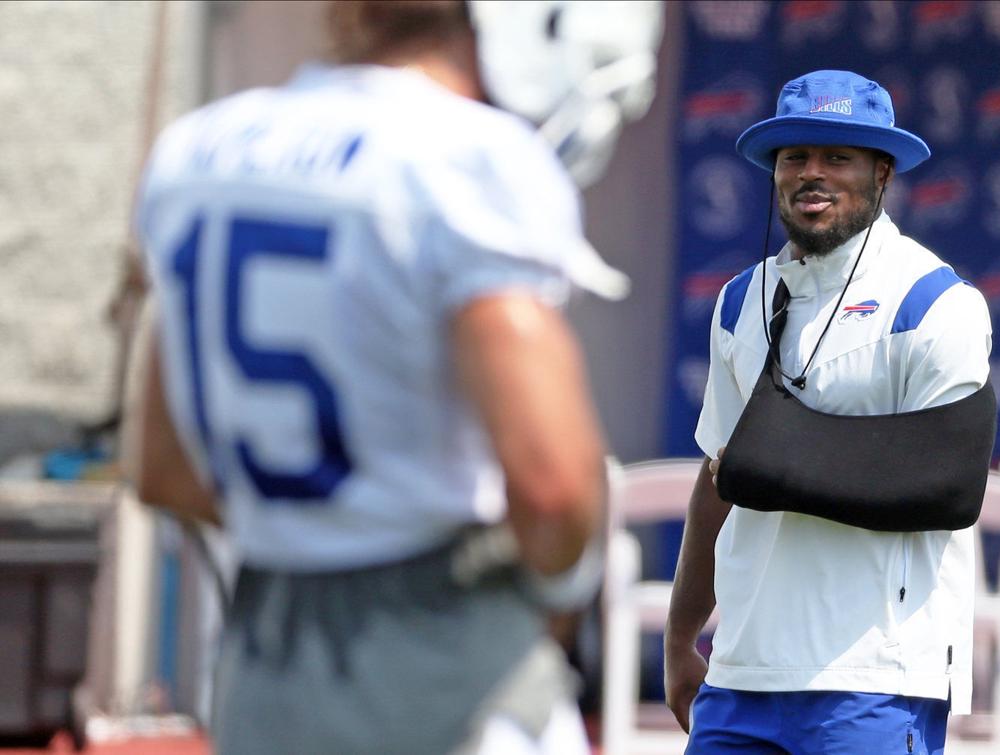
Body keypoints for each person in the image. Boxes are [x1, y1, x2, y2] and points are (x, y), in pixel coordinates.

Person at [120, 2, 661, 753]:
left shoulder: (199, 151)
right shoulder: (467, 158)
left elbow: (161, 468)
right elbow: (554, 489)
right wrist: (556, 600)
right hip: (438, 654)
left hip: (264, 659)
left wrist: (313, 529)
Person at [664, 70, 994, 754]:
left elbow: (949, 483)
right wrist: (679, 632)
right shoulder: (737, 302)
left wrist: (783, 461)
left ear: (882, 174)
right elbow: (720, 475)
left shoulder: (933, 302)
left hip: (873, 678)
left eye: (836, 157)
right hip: (740, 672)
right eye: (794, 157)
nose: (811, 173)